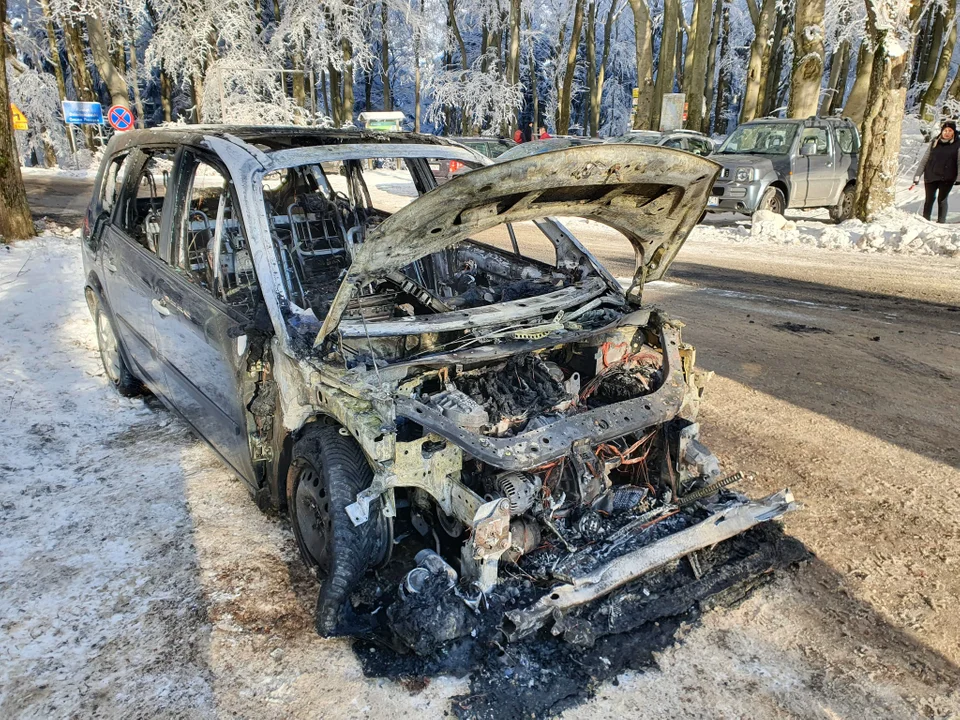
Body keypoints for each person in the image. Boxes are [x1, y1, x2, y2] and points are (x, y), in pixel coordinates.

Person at [914, 119, 960, 223]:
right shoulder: (935, 142)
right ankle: (925, 221)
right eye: (945, 130)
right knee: (929, 200)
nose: (947, 133)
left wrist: (959, 178)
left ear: (954, 132)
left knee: (942, 200)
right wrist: (917, 176)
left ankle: (941, 222)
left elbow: (959, 162)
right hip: (931, 175)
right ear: (942, 131)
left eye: (950, 131)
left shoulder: (958, 144)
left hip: (947, 177)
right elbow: (925, 160)